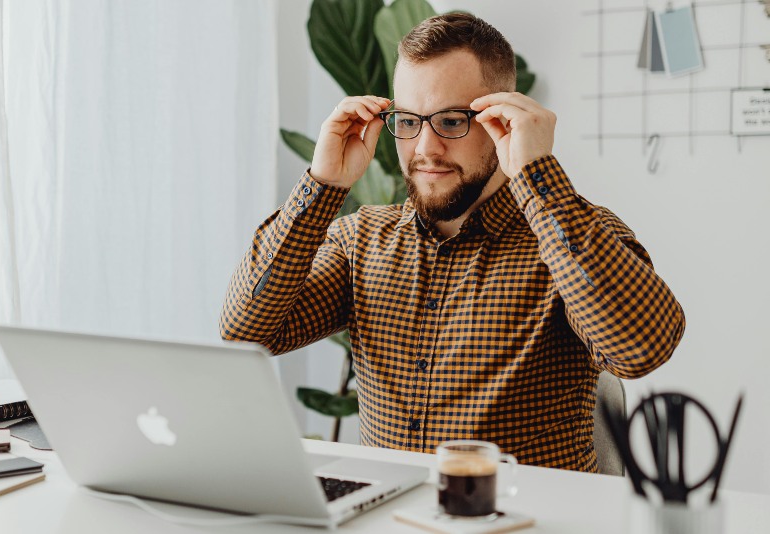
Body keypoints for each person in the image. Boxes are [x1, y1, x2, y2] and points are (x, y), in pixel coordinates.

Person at [220, 13, 685, 472]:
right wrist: (322, 183)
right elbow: (246, 334)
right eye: (408, 121)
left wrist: (539, 177)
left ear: (502, 117)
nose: (424, 148)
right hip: (389, 519)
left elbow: (640, 349)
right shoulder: (361, 239)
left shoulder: (572, 236)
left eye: (450, 121)